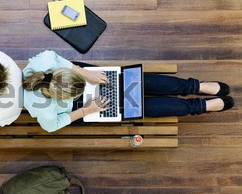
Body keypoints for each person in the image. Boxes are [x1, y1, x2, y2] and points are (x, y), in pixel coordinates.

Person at [23, 50, 235, 133]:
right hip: (80, 108)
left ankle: (195, 86)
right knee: (133, 107)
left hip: (79, 76)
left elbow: (58, 60)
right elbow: (52, 126)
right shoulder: (43, 110)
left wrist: (85, 74)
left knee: (133, 83)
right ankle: (197, 106)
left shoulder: (44, 63)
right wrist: (87, 111)